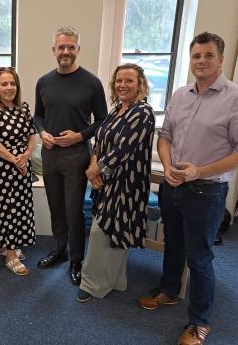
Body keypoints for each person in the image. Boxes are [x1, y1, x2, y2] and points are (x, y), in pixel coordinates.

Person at [138, 32, 238, 345]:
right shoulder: (180, 95)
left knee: (200, 258)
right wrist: (168, 168)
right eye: (196, 56)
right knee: (174, 245)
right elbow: (164, 137)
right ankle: (168, 291)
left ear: (221, 59)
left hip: (206, 191)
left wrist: (199, 171)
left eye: (208, 55)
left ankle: (199, 322)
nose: (201, 61)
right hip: (173, 185)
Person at [33, 26, 108, 285]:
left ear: (78, 49)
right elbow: (38, 115)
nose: (66, 52)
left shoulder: (92, 83)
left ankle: (77, 259)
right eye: (61, 47)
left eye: (71, 47)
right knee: (56, 208)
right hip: (50, 155)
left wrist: (80, 136)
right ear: (53, 50)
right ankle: (60, 250)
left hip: (76, 156)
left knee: (73, 210)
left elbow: (102, 120)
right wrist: (41, 132)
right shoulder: (44, 81)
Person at [76, 64, 155, 303]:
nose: (122, 85)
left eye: (129, 81)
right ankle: (116, 281)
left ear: (140, 84)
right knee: (114, 234)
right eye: (119, 80)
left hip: (127, 185)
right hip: (106, 180)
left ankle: (90, 284)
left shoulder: (143, 112)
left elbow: (124, 150)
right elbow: (99, 143)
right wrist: (94, 168)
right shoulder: (116, 110)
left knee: (103, 232)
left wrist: (94, 171)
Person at [0, 67, 37, 276]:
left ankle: (9, 245)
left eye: (12, 83)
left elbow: (32, 135)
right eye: (4, 84)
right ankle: (11, 255)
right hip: (3, 170)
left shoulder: (23, 107)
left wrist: (26, 156)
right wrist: (16, 160)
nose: (9, 87)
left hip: (22, 166)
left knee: (20, 208)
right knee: (6, 209)